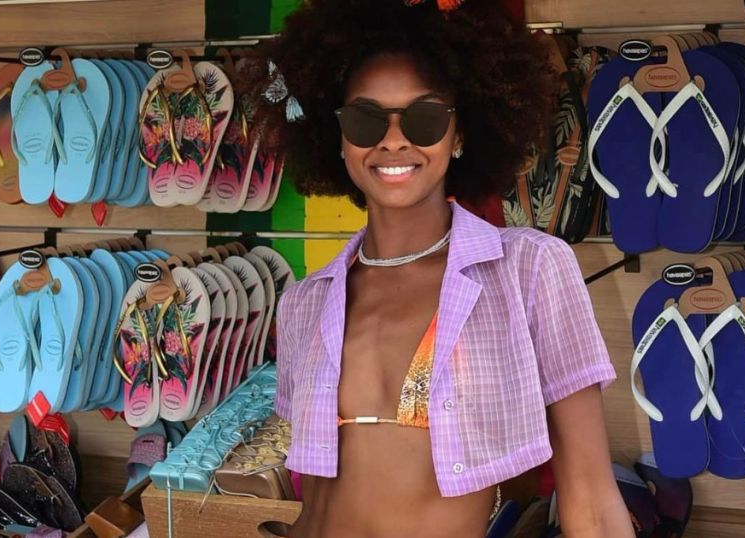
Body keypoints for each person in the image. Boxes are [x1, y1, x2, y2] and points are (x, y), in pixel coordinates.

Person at [250, 1, 633, 536]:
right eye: (365, 119)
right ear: (336, 137)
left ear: (459, 135)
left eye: (425, 117)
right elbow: (312, 494)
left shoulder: (529, 272)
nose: (394, 139)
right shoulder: (304, 302)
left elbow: (591, 501)